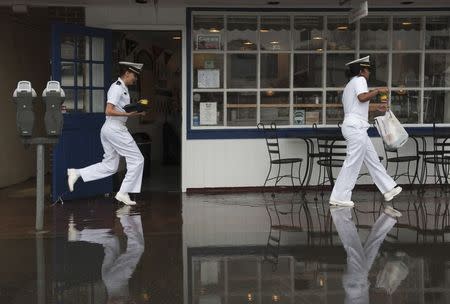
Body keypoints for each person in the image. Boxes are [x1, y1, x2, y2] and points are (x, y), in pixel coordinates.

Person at [67, 62, 146, 205]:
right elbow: (108, 111)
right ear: (127, 73)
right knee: (137, 159)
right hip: (115, 129)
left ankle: (76, 173)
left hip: (110, 128)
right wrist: (130, 113)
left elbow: (121, 110)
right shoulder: (116, 87)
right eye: (134, 76)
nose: (135, 79)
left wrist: (135, 111)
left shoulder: (123, 88)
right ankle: (123, 192)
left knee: (110, 165)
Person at [329, 56, 402, 207]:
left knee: (373, 160)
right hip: (356, 128)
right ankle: (339, 196)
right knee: (352, 162)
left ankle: (388, 189)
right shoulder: (360, 80)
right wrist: (377, 91)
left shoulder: (350, 84)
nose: (369, 72)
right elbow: (362, 98)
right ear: (361, 70)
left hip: (355, 127)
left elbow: (358, 107)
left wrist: (377, 108)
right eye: (367, 69)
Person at [330, 205, 403, 303]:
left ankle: (339, 213)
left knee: (351, 246)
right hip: (359, 282)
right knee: (373, 245)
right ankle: (388, 216)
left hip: (356, 283)